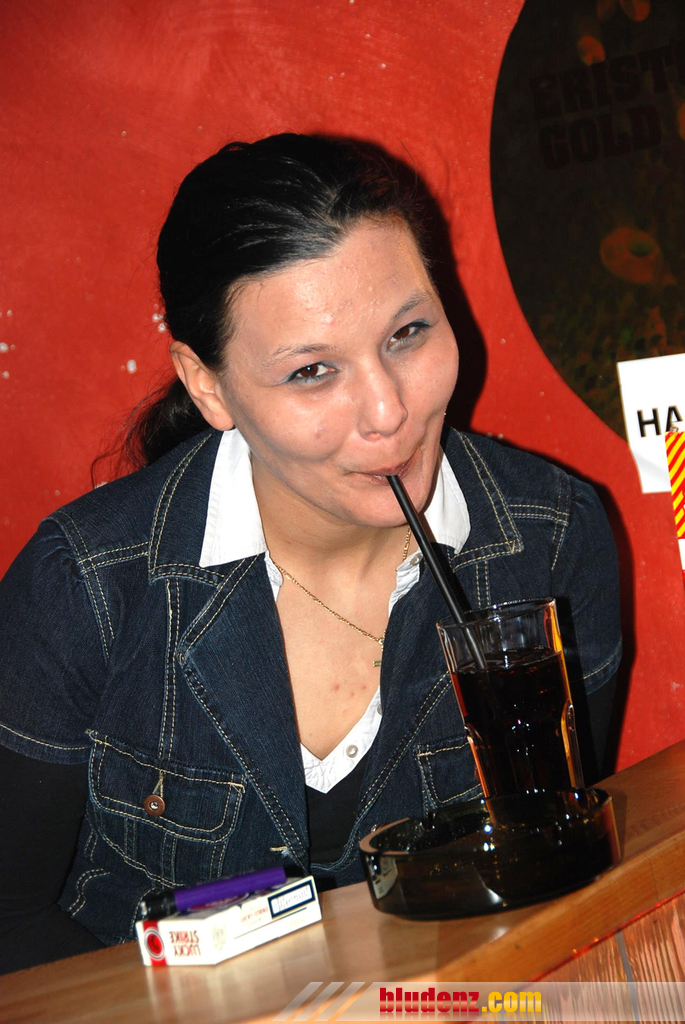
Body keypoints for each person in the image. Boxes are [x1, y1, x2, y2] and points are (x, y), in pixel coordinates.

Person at [0, 133, 621, 972]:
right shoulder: (86, 584)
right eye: (311, 372)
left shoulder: (549, 537)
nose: (387, 411)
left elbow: (557, 860)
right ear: (208, 385)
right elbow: (11, 918)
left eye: (407, 332)